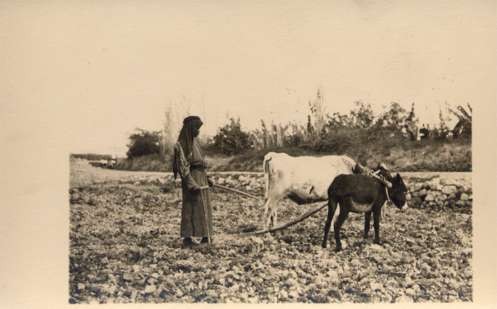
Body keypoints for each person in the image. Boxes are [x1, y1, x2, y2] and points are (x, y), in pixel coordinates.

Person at [172, 116, 214, 248]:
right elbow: (182, 166)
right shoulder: (181, 145)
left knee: (204, 207)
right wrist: (191, 183)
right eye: (196, 128)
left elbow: (200, 163)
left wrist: (207, 179)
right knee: (191, 207)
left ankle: (205, 237)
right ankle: (187, 238)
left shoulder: (196, 143)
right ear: (190, 128)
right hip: (191, 178)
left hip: (201, 177)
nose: (198, 131)